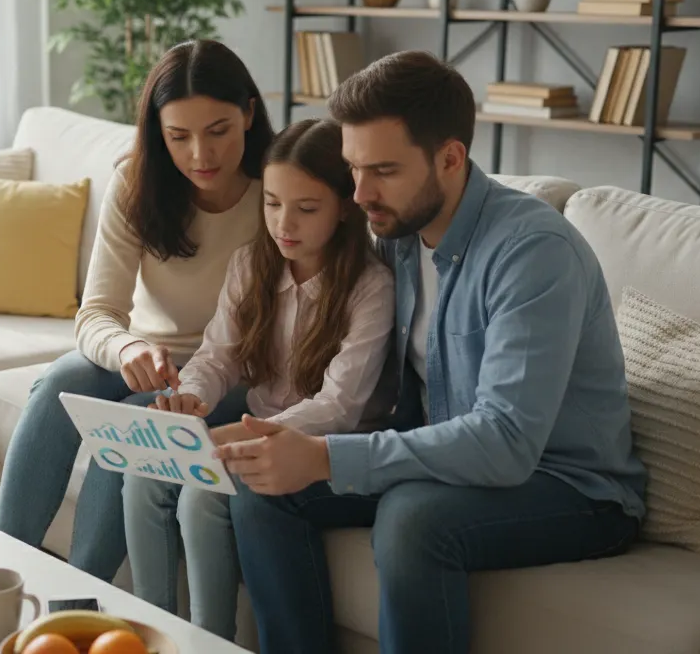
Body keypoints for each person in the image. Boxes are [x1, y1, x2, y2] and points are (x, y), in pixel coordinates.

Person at [215, 50, 649, 654]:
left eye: (384, 171)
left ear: (450, 158)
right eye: (353, 168)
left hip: (570, 487)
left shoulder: (532, 253)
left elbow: (504, 443)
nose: (360, 194)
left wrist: (324, 457)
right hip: (453, 460)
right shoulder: (396, 236)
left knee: (412, 518)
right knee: (261, 486)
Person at [0, 39, 275, 582]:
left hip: (236, 370)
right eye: (179, 137)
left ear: (249, 114)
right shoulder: (137, 182)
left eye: (218, 130)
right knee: (62, 381)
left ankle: (76, 599)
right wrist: (129, 346)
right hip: (149, 355)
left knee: (132, 422)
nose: (201, 155)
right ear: (157, 133)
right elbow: (96, 314)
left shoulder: (280, 188)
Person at [122, 118, 394, 641]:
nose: (283, 223)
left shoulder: (370, 287)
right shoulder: (252, 264)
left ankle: (210, 640)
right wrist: (189, 400)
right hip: (257, 428)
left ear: (344, 207)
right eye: (271, 203)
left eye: (306, 208)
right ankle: (152, 632)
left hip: (327, 445)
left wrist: (240, 437)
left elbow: (340, 407)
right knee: (144, 471)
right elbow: (218, 356)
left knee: (203, 494)